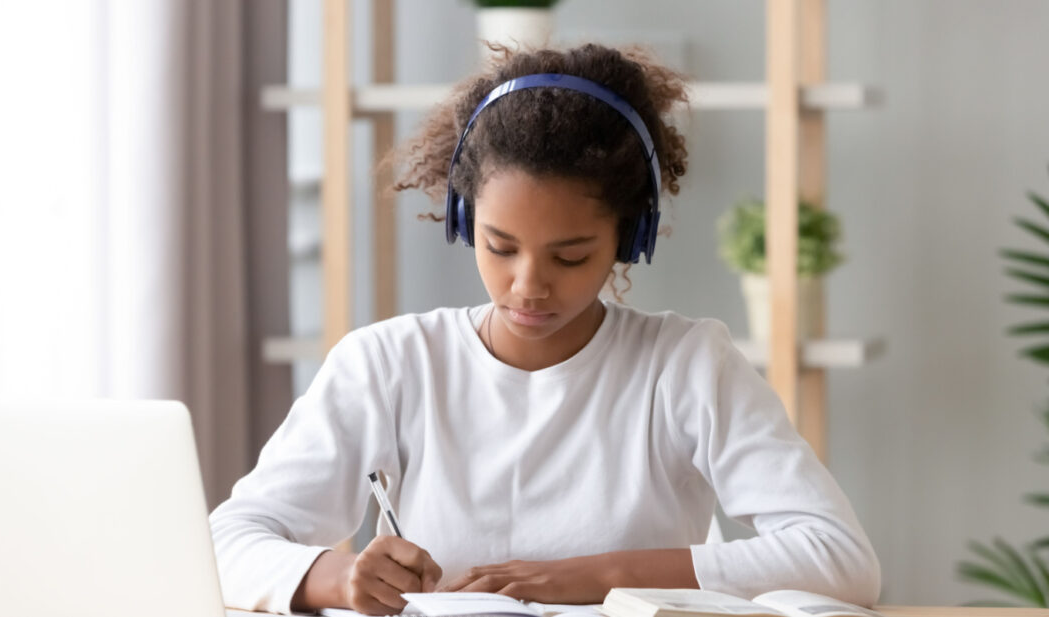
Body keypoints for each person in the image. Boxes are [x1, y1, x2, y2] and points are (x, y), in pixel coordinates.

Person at [208, 42, 881, 616]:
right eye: (501, 247)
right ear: (465, 223)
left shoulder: (686, 364)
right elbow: (224, 540)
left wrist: (593, 576)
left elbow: (841, 558)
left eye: (570, 256)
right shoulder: (388, 361)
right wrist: (337, 577)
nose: (528, 284)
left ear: (630, 236)